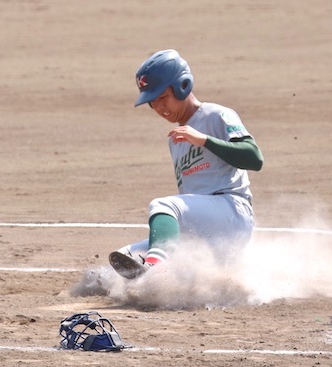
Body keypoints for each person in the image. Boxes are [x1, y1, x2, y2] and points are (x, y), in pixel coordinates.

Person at [109, 49, 264, 279]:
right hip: (208, 235)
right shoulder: (176, 141)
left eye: (163, 97)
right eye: (153, 102)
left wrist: (204, 140)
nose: (160, 108)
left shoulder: (216, 115)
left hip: (232, 213)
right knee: (127, 256)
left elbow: (254, 158)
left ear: (182, 85)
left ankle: (156, 270)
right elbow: (192, 205)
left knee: (164, 206)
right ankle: (158, 283)